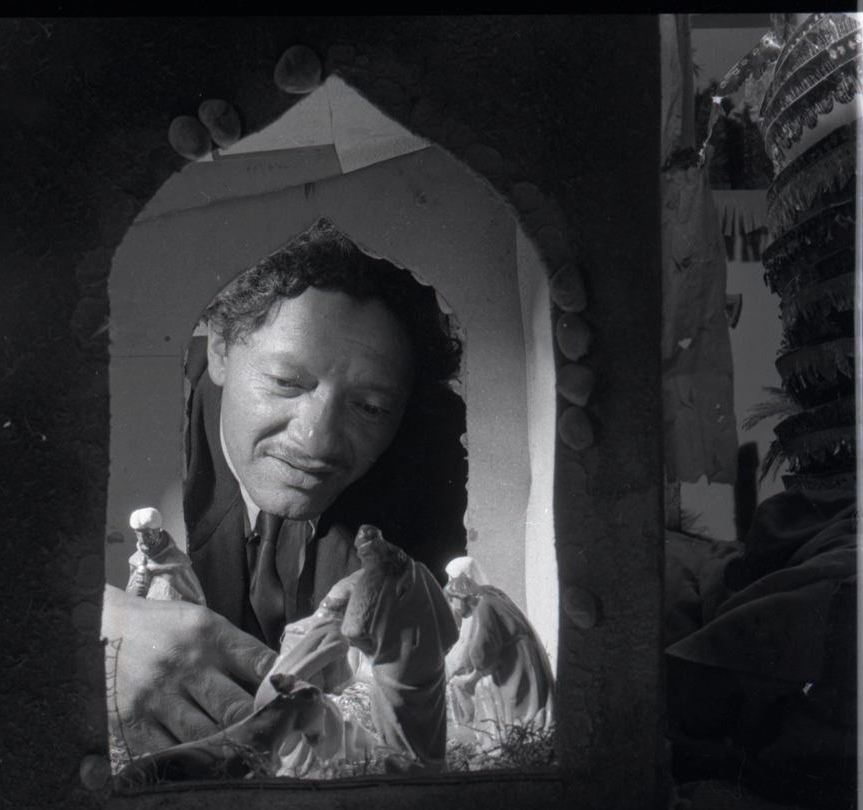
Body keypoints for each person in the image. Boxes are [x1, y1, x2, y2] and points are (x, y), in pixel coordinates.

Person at [104, 218, 468, 752]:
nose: (316, 439)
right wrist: (87, 631)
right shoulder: (112, 427)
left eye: (370, 407)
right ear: (222, 347)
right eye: (286, 383)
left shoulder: (448, 458)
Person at [442, 558, 555, 746]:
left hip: (515, 660)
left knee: (505, 695)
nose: (454, 608)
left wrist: (471, 678)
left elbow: (480, 651)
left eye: (452, 601)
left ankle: (516, 738)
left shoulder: (483, 608)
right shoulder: (491, 594)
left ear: (459, 596)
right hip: (526, 652)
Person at [125, 507, 206, 605]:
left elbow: (198, 600)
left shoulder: (178, 561)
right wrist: (139, 584)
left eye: (147, 535)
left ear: (157, 531)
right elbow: (129, 601)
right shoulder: (135, 560)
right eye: (138, 535)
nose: (142, 541)